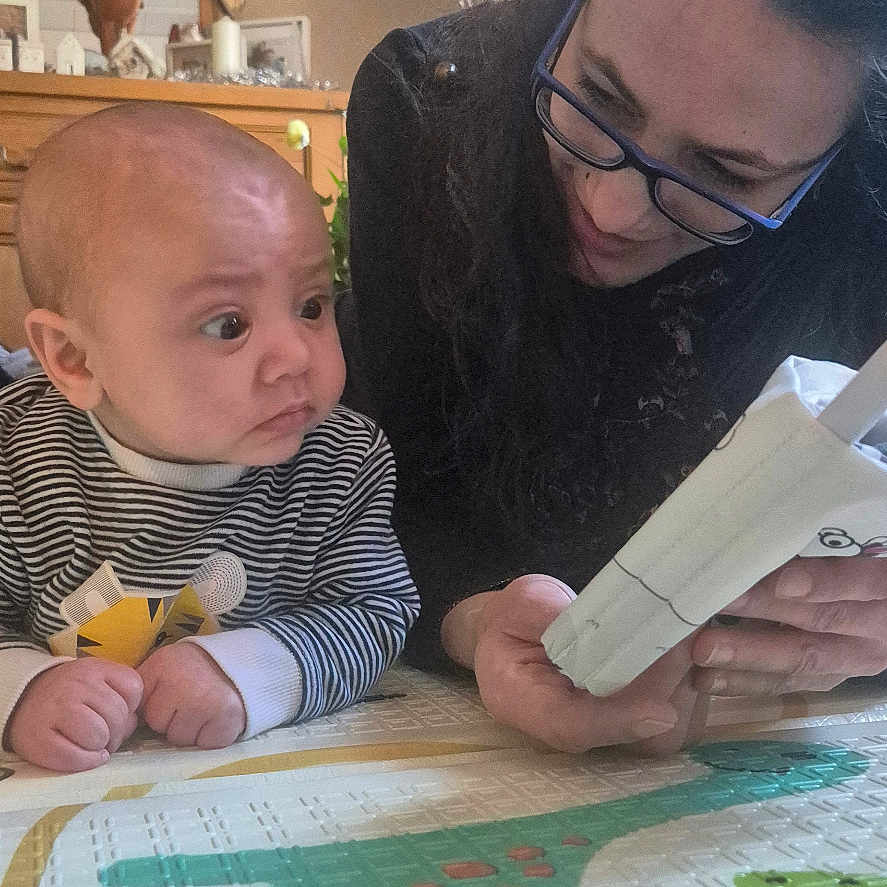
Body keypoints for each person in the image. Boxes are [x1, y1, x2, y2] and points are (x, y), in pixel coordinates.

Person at [345, 0, 887, 754]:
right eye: (596, 97)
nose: (612, 209)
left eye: (725, 171)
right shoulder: (427, 102)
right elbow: (387, 485)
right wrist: (471, 617)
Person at [1, 103, 419, 773]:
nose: (293, 356)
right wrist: (23, 689)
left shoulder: (340, 461)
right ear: (75, 360)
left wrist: (248, 672)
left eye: (311, 305)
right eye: (228, 324)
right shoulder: (17, 459)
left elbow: (373, 610)